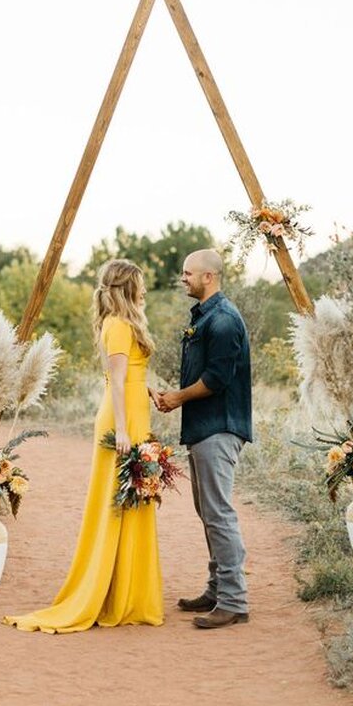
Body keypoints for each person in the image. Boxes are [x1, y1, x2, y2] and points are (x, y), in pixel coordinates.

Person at [3, 259, 163, 633]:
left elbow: (129, 379)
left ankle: (128, 589)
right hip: (121, 421)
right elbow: (118, 382)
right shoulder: (119, 326)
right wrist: (122, 430)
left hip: (134, 412)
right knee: (118, 499)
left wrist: (148, 390)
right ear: (127, 289)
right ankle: (112, 593)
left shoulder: (123, 324)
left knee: (135, 497)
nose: (144, 291)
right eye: (139, 285)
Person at [157, 248, 251, 629]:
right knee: (208, 512)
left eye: (187, 273)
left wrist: (176, 397)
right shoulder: (205, 316)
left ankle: (234, 600)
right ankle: (217, 589)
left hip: (219, 426)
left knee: (219, 513)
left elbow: (216, 379)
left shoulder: (224, 320)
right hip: (202, 427)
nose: (183, 278)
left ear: (208, 277)